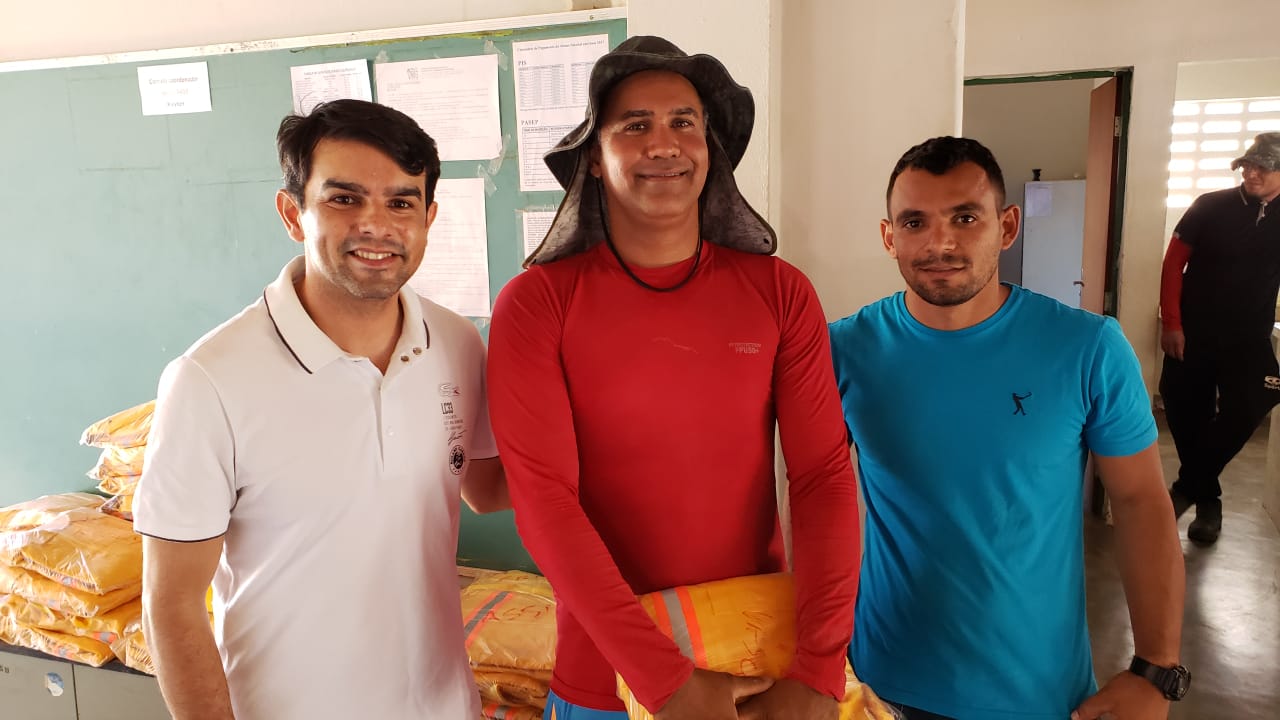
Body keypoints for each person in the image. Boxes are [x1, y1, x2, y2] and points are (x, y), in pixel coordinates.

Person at [486, 36, 860, 720]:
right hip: (605, 682)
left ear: (709, 148)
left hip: (758, 666)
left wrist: (819, 667)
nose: (664, 144)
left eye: (683, 122)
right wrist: (668, 683)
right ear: (593, 159)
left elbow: (822, 478)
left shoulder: (779, 292)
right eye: (635, 126)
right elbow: (545, 502)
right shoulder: (537, 305)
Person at [134, 99, 508, 720]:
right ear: (293, 213)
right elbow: (170, 603)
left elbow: (487, 488)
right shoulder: (210, 379)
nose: (375, 225)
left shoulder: (457, 343)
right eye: (344, 199)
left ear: (429, 218)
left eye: (401, 203)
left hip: (443, 705)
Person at [829, 136, 1188, 720]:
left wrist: (1156, 668)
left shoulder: (1088, 348)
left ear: (1008, 225)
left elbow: (1141, 501)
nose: (940, 242)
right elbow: (809, 498)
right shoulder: (842, 351)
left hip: (1039, 693)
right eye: (915, 222)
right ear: (889, 237)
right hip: (879, 684)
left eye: (965, 217)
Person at [1160, 131, 1280, 545]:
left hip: (1249, 338)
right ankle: (1209, 502)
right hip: (1193, 333)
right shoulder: (1209, 207)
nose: (1251, 173)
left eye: (1263, 167)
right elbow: (1173, 264)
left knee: (1253, 402)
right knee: (1183, 410)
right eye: (1247, 165)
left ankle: (1186, 488)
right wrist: (1172, 323)